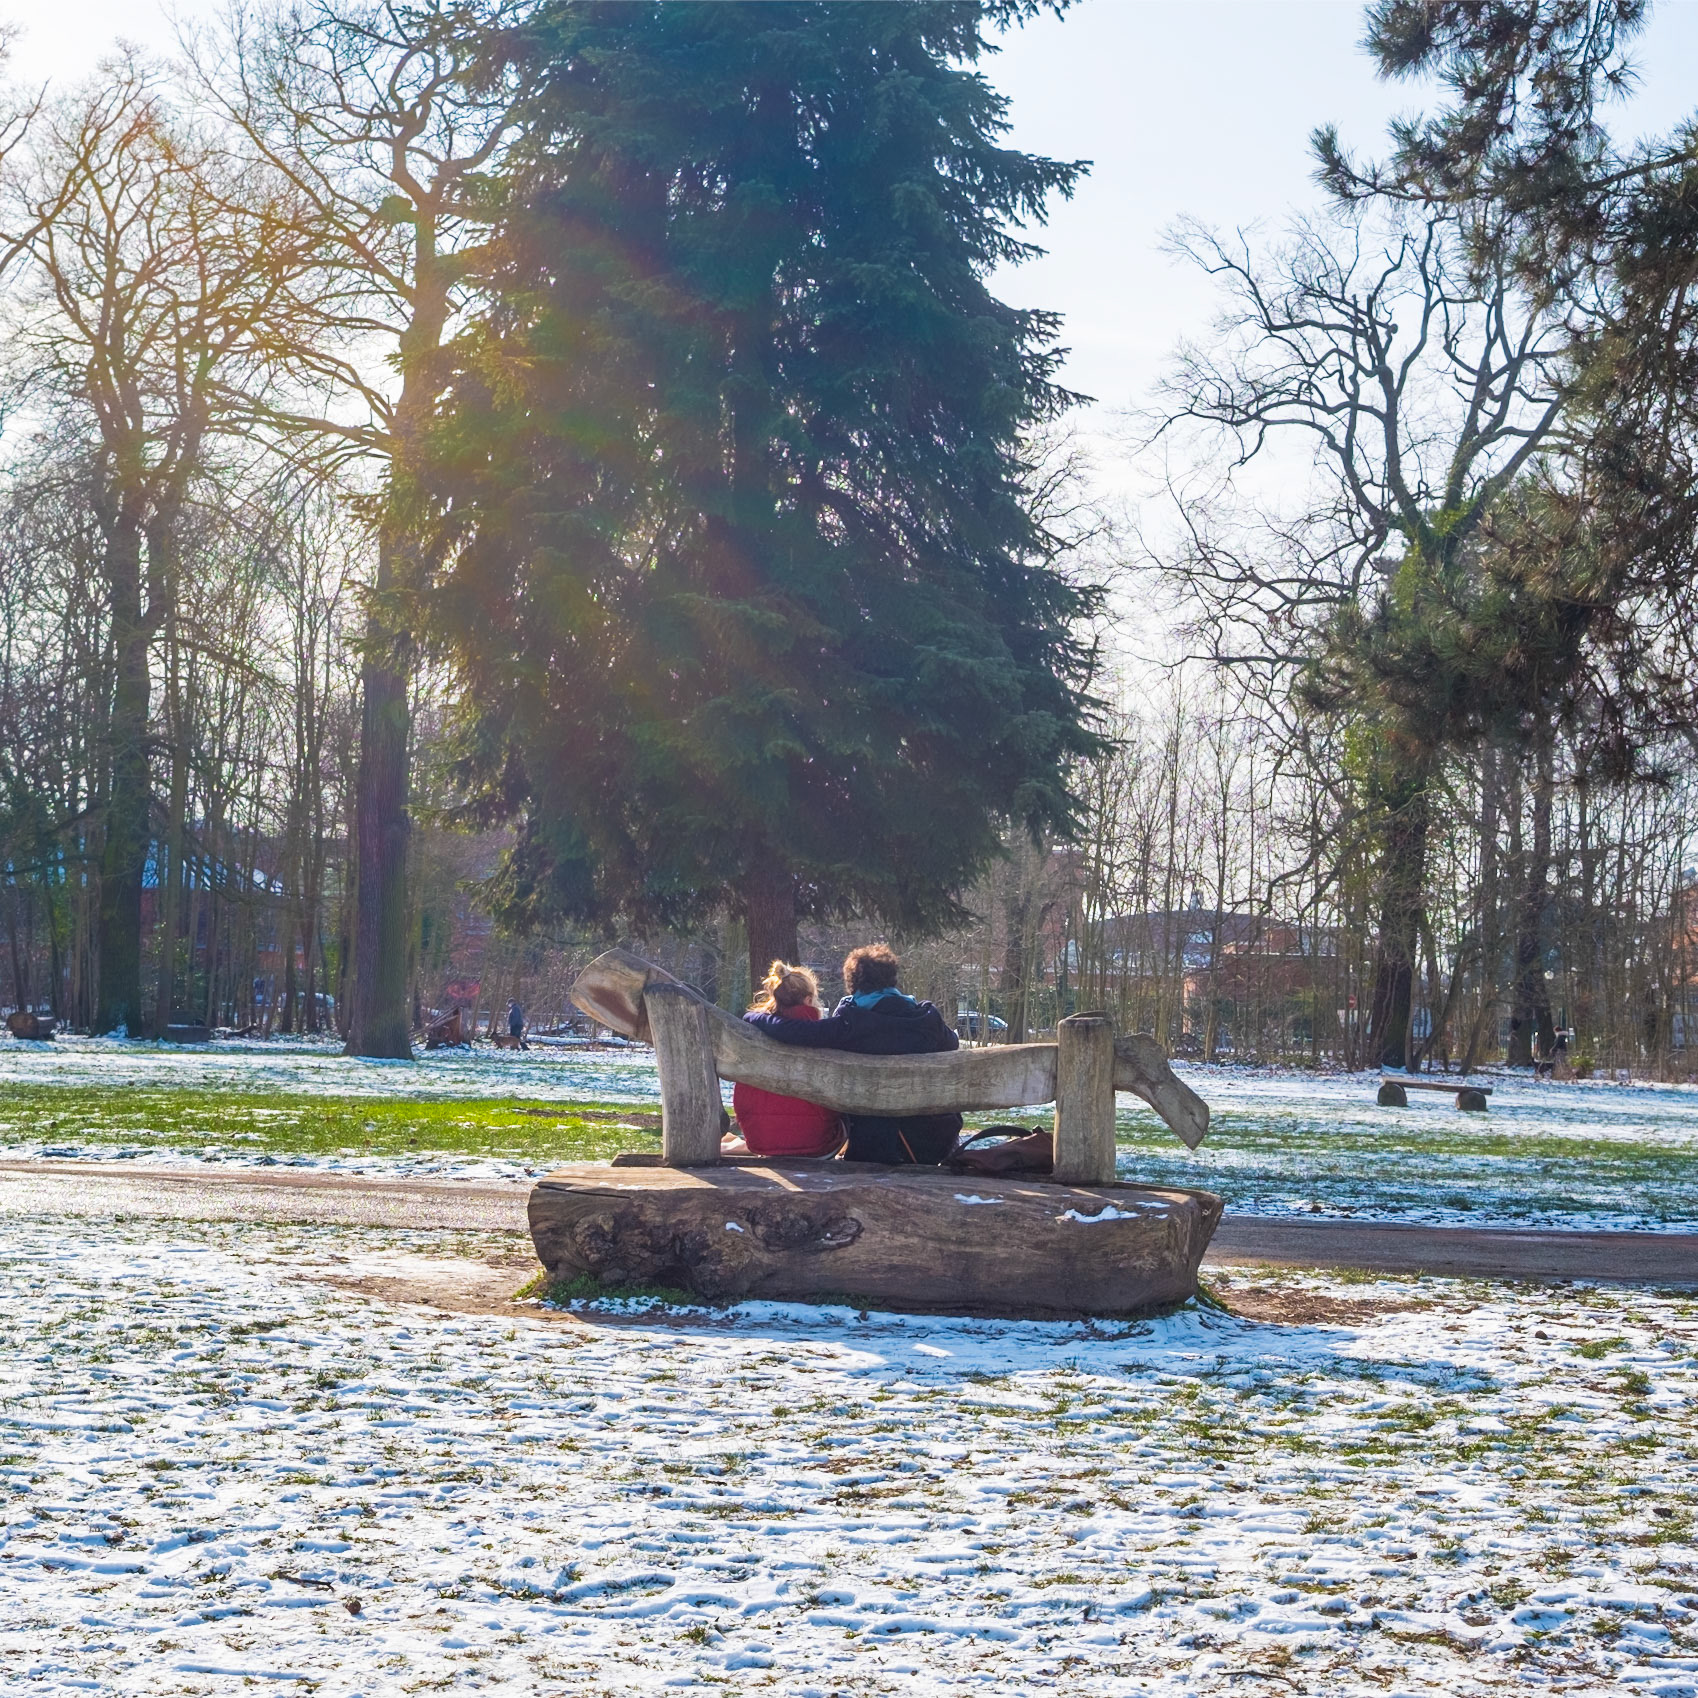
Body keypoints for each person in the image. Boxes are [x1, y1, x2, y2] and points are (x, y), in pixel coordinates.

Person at [746, 943, 962, 1164]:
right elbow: (953, 1043)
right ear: (892, 979)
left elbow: (791, 1030)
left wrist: (754, 1017)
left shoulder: (848, 1026)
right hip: (930, 1145)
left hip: (871, 1148)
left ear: (852, 984)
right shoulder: (928, 1020)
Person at [727, 963, 845, 1158]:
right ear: (808, 1000)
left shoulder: (752, 1033)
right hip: (817, 1144)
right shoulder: (825, 1036)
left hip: (760, 1140)